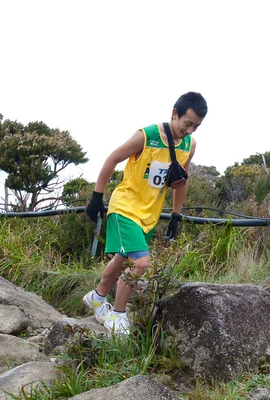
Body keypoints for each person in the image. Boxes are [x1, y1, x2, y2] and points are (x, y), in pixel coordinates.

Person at [83, 91, 208, 335]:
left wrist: (176, 215)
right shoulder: (147, 135)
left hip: (149, 216)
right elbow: (113, 158)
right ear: (175, 113)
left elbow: (183, 179)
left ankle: (96, 298)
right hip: (125, 206)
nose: (191, 130)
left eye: (197, 126)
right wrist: (97, 196)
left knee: (122, 260)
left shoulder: (189, 145)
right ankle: (118, 317)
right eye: (187, 123)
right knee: (140, 262)